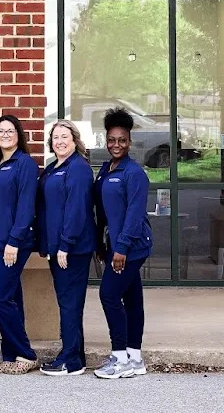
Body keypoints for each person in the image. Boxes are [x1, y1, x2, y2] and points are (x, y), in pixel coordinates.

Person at [92, 107, 154, 379]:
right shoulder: (107, 169)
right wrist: (103, 244)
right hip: (115, 245)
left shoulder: (134, 173)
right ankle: (135, 358)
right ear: (105, 140)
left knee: (108, 294)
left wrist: (121, 249)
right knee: (131, 298)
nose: (116, 145)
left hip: (131, 247)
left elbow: (134, 214)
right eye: (111, 140)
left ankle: (119, 358)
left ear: (130, 141)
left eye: (122, 140)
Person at [36, 119, 96, 376]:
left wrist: (65, 245)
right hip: (56, 248)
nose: (59, 141)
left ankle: (69, 360)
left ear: (75, 140)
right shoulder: (53, 168)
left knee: (70, 303)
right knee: (67, 302)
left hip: (72, 249)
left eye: (64, 137)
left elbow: (76, 210)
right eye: (55, 137)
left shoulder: (79, 168)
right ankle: (76, 355)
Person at [0, 114, 41, 374]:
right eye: (0, 131)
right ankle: (11, 355)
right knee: (12, 296)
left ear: (19, 135)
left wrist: (14, 241)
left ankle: (26, 354)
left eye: (10, 131)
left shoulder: (24, 164)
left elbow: (26, 206)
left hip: (14, 244)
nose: (5, 135)